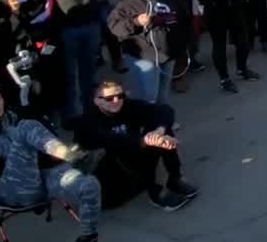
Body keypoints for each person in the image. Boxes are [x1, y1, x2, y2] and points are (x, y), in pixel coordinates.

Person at [0, 83, 115, 242]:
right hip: (10, 191)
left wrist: (29, 104)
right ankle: (75, 157)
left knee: (89, 184)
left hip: (37, 177)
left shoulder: (12, 117)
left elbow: (47, 134)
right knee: (25, 127)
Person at [76, 79, 198, 211]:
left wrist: (159, 131)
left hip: (129, 154)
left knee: (161, 130)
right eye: (109, 98)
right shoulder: (88, 121)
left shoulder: (126, 105)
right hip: (108, 169)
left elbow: (163, 110)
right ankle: (154, 191)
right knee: (135, 148)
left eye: (120, 96)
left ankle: (174, 178)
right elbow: (109, 141)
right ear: (97, 101)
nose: (116, 101)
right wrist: (146, 141)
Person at [35, 0, 108, 124]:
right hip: (65, 27)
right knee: (68, 74)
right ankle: (72, 114)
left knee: (89, 71)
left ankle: (89, 109)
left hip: (89, 23)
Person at [108, 0, 177, 105]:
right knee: (147, 96)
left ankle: (162, 122)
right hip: (143, 55)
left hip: (166, 52)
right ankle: (146, 124)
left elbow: (176, 18)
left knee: (163, 93)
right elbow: (114, 26)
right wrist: (136, 22)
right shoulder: (126, 4)